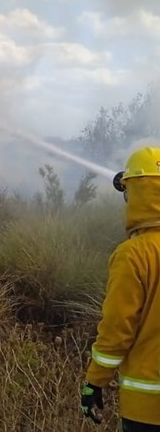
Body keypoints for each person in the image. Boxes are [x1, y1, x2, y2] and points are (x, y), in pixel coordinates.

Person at [82, 147, 160, 430]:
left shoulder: (133, 255)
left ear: (138, 194)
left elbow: (117, 329)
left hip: (149, 410)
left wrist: (95, 381)